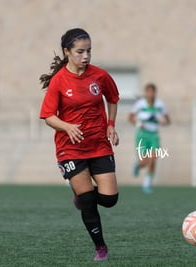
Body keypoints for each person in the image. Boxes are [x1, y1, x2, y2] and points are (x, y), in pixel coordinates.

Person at [39, 28, 120, 261]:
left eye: (89, 51)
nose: (86, 56)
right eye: (80, 52)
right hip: (70, 147)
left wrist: (111, 124)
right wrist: (67, 126)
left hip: (99, 144)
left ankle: (80, 195)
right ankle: (100, 248)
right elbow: (47, 116)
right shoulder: (59, 81)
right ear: (67, 52)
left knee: (109, 200)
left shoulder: (100, 76)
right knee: (87, 202)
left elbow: (113, 98)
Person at [128, 83, 170, 193]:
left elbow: (167, 120)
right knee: (144, 162)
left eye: (152, 92)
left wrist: (162, 121)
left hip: (154, 135)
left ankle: (147, 184)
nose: (150, 94)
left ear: (155, 93)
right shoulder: (140, 104)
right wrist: (138, 124)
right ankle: (138, 163)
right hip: (142, 134)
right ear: (145, 93)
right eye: (148, 92)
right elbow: (131, 117)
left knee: (153, 159)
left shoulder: (160, 104)